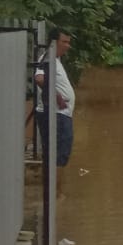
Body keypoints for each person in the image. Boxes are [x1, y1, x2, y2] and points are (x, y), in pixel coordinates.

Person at [33, 29, 74, 187]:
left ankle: (56, 190)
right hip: (55, 114)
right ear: (53, 43)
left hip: (61, 114)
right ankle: (55, 193)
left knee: (60, 155)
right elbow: (39, 78)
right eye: (64, 42)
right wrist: (56, 96)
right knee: (57, 156)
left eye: (68, 42)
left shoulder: (55, 60)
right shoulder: (47, 58)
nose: (67, 46)